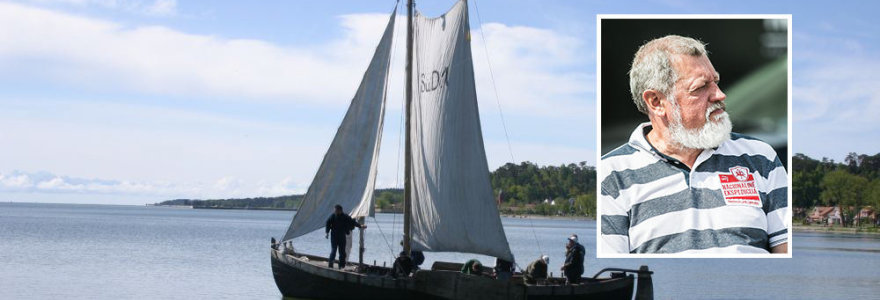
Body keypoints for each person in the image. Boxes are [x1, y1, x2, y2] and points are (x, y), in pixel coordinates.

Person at [600, 35, 789, 254]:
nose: (719, 95)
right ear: (656, 102)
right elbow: (616, 268)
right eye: (700, 88)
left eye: (716, 82)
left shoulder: (761, 156)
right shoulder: (611, 174)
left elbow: (785, 257)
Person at [325, 204, 366, 269]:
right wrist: (327, 232)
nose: (335, 211)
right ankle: (330, 265)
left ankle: (341, 266)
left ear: (340, 210)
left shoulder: (345, 216)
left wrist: (360, 226)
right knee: (334, 250)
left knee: (342, 252)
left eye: (336, 210)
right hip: (334, 236)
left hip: (341, 236)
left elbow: (353, 222)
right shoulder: (333, 216)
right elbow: (328, 223)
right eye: (335, 210)